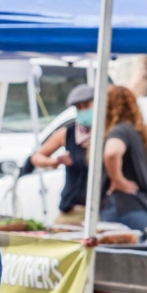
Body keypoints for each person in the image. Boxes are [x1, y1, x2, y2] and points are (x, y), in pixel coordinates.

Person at [29, 83, 94, 224]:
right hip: (71, 209)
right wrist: (54, 162)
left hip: (100, 210)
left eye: (86, 106)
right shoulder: (69, 133)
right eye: (79, 108)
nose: (83, 111)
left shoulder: (109, 133)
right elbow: (37, 157)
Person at [99, 85, 147, 232]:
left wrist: (118, 180)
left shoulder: (120, 130)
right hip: (142, 206)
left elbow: (111, 153)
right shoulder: (139, 134)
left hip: (121, 207)